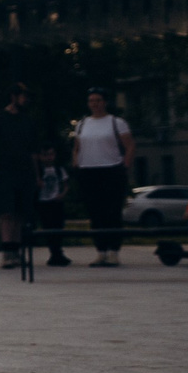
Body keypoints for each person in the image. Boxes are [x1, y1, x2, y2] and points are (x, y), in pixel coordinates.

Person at [72, 89, 135, 265]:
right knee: (95, 212)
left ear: (105, 102)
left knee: (112, 212)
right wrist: (76, 162)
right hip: (88, 170)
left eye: (98, 100)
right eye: (91, 100)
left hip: (111, 169)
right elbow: (77, 146)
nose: (95, 104)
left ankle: (114, 251)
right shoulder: (82, 124)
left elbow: (130, 145)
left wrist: (125, 165)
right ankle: (101, 251)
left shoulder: (116, 122)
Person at [0, 83, 38, 269]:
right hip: (4, 171)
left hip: (24, 172)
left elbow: (33, 151)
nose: (26, 100)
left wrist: (36, 174)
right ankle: (7, 252)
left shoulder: (27, 120)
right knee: (6, 212)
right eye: (23, 96)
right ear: (14, 97)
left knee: (20, 213)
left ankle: (16, 250)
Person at [33, 146, 72, 267]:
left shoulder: (59, 170)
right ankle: (54, 252)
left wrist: (62, 195)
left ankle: (57, 252)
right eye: (45, 154)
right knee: (48, 227)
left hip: (56, 202)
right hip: (44, 203)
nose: (49, 157)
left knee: (58, 227)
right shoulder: (38, 171)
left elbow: (66, 184)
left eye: (51, 154)